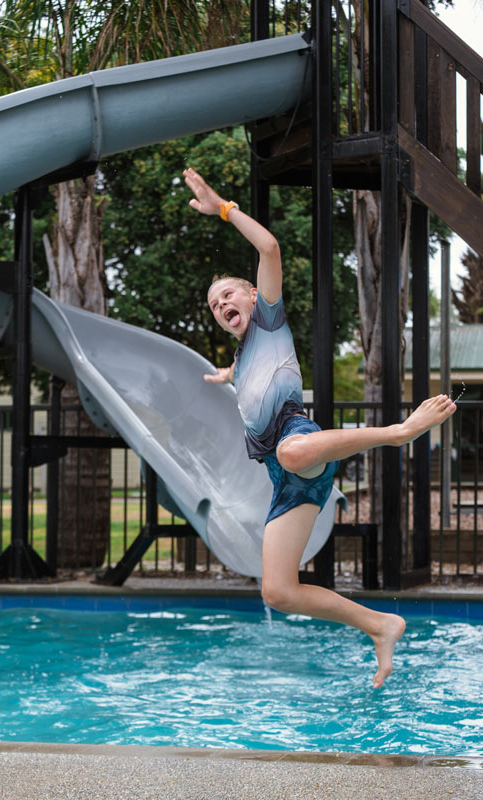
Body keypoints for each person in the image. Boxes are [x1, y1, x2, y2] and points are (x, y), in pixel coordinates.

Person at [183, 167, 457, 689]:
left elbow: (269, 248)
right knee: (277, 592)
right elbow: (245, 375)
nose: (223, 307)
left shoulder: (268, 318)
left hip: (300, 444)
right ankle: (381, 625)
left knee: (289, 452)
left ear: (252, 296)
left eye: (229, 296)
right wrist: (225, 373)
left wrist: (223, 209)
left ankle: (399, 432)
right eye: (216, 306)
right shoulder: (245, 354)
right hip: (285, 479)